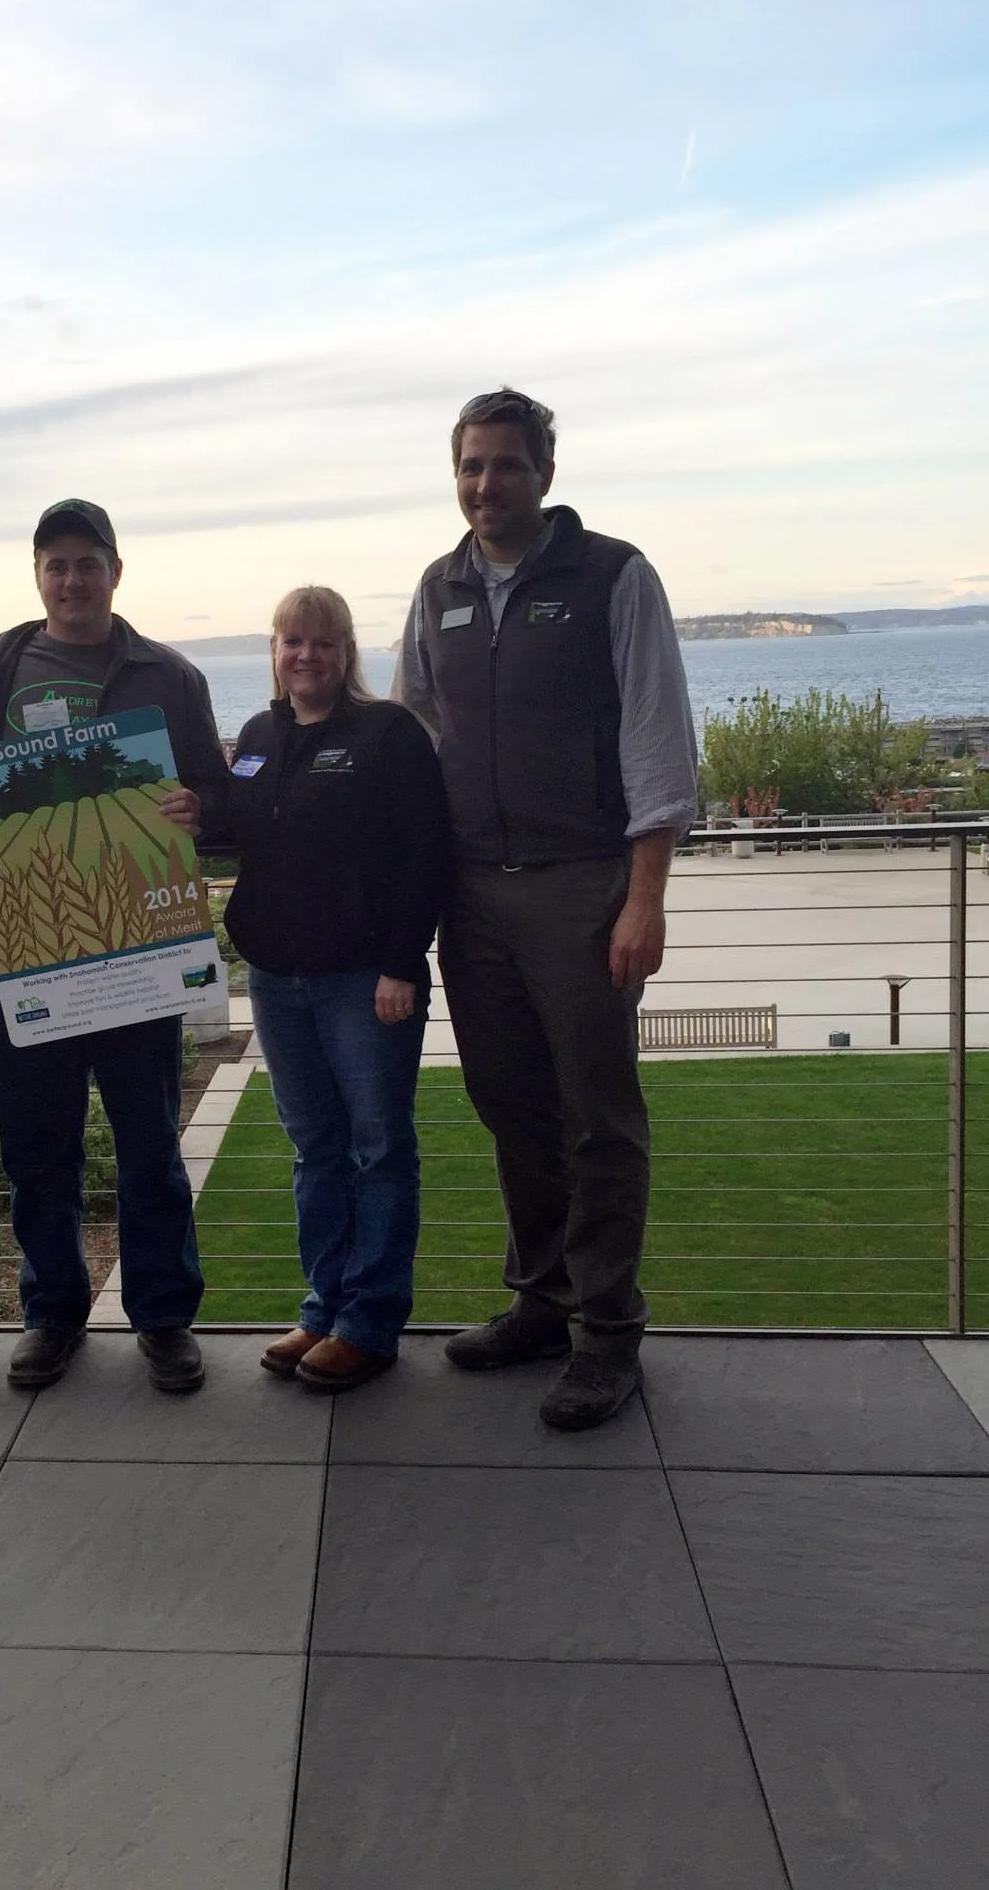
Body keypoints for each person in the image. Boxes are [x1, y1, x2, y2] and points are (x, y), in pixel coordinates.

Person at [394, 389, 698, 1430]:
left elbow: (657, 741)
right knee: (510, 1105)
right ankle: (542, 1301)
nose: (486, 484)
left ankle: (607, 1333)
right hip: (472, 893)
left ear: (545, 473)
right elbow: (414, 733)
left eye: (506, 465)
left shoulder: (613, 575)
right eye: (471, 466)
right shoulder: (438, 588)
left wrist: (644, 900)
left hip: (582, 887)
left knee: (598, 1117)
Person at [0, 498, 232, 1394]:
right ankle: (52, 1314)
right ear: (38, 576)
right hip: (24, 947)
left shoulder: (169, 675)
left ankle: (163, 1316)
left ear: (116, 570)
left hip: (137, 950)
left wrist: (199, 808)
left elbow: (218, 796)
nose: (72, 579)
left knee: (149, 1141)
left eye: (88, 563)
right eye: (57, 564)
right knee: (38, 1147)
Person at [169, 586, 450, 1391]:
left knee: (378, 1150)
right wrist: (196, 813)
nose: (306, 655)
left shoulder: (388, 733)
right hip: (277, 981)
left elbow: (427, 853)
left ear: (346, 652)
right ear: (274, 651)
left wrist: (402, 964)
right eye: (292, 640)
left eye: (323, 641)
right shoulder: (261, 736)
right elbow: (243, 826)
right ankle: (324, 1309)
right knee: (316, 1150)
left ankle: (370, 1323)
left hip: (364, 982)